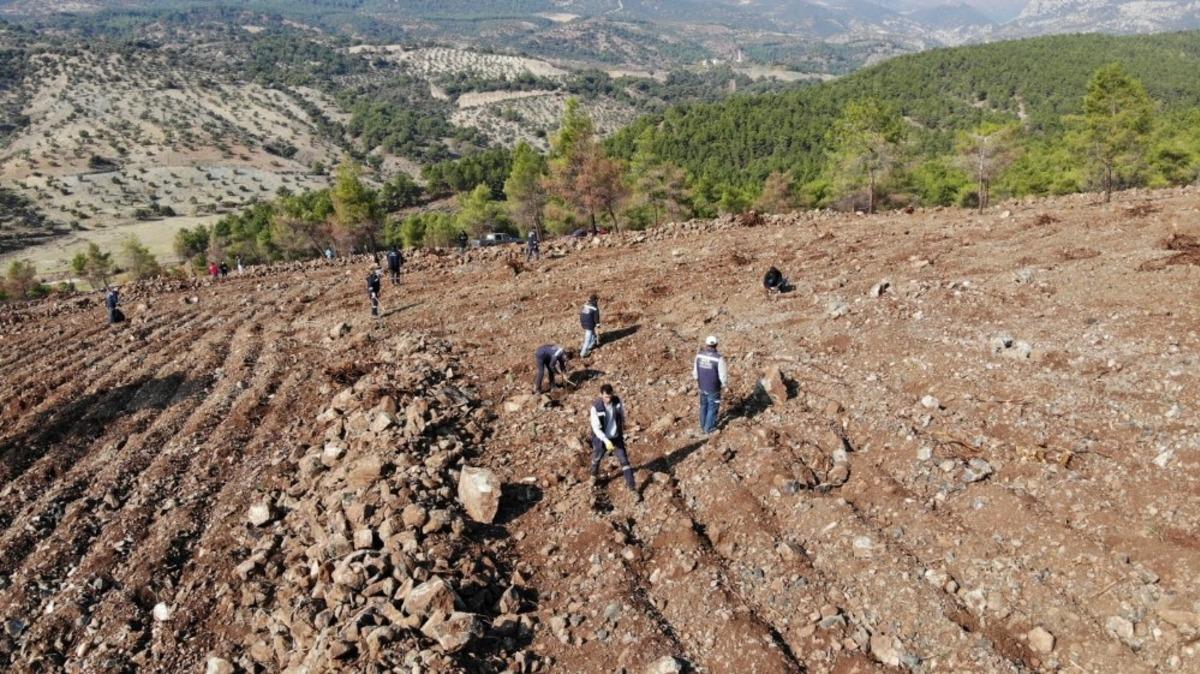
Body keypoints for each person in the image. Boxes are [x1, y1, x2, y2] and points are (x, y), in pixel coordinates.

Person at [589, 384, 638, 499]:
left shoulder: (617, 402)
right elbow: (595, 428)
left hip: (616, 438)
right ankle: (593, 476)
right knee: (597, 458)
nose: (608, 399)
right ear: (601, 395)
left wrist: (620, 431)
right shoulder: (596, 408)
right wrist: (606, 440)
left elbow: (621, 416)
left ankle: (632, 489)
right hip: (601, 439)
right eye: (606, 397)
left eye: (610, 396)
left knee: (624, 461)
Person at [693, 335, 728, 435]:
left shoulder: (699, 356)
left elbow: (695, 373)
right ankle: (709, 428)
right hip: (714, 388)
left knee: (704, 406)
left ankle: (703, 425)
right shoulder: (719, 359)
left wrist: (699, 381)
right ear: (716, 344)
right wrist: (725, 385)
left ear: (706, 344)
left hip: (702, 386)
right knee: (712, 407)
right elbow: (723, 376)